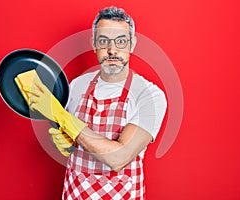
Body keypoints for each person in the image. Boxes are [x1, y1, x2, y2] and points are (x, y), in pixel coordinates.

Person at [24, 6, 167, 200]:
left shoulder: (149, 95)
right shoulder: (76, 86)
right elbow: (72, 138)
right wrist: (63, 142)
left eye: (121, 41)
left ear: (132, 44)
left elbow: (118, 158)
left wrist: (62, 116)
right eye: (103, 41)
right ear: (94, 44)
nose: (112, 50)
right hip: (74, 194)